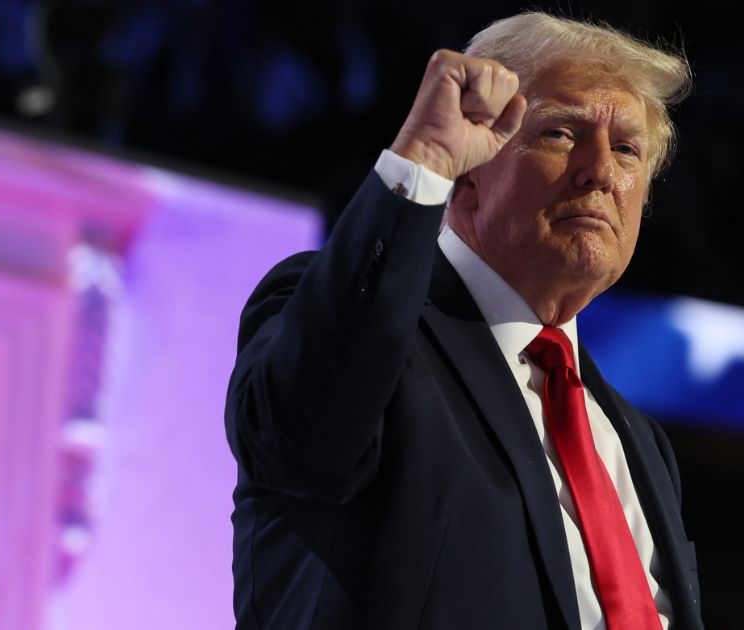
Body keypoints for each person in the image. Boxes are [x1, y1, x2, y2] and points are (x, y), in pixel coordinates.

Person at [225, 12, 700, 630]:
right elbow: (299, 442)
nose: (601, 170)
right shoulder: (352, 323)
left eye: (628, 149)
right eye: (560, 133)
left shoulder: (637, 442)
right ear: (470, 170)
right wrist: (422, 160)